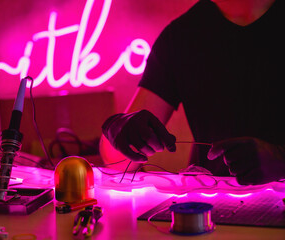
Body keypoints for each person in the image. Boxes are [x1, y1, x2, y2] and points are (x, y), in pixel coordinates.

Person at [100, 0, 285, 185]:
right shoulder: (181, 35)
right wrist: (118, 129)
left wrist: (281, 160)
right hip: (213, 205)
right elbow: (118, 162)